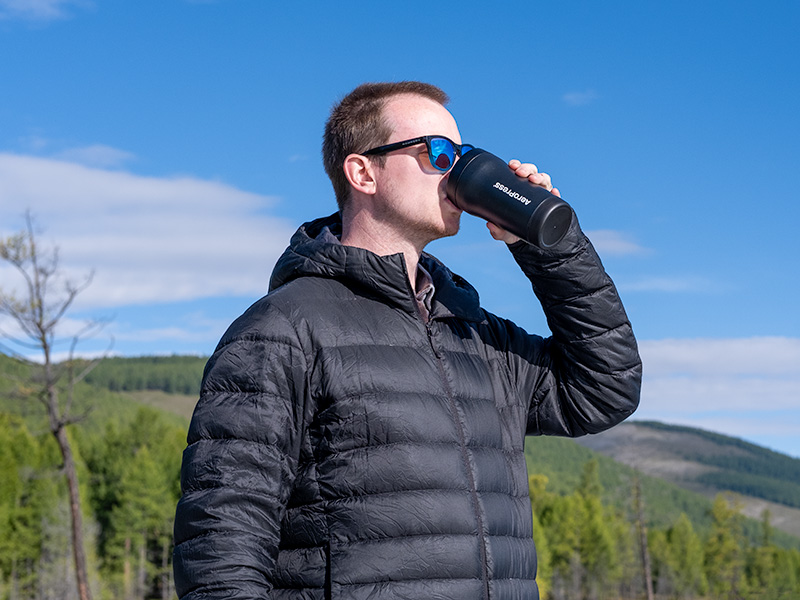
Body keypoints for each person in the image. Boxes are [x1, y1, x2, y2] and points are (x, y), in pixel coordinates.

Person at [173, 81, 642, 600]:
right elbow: (221, 547)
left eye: (463, 155)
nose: (457, 171)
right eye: (438, 153)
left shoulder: (475, 335)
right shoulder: (283, 329)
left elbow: (604, 388)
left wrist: (549, 246)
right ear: (363, 172)